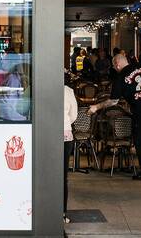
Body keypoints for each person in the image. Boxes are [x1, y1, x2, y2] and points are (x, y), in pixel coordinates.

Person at [63, 84, 78, 224]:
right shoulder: (68, 90)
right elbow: (74, 115)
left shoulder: (38, 86)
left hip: (45, 133)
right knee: (62, 176)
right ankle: (62, 213)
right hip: (65, 134)